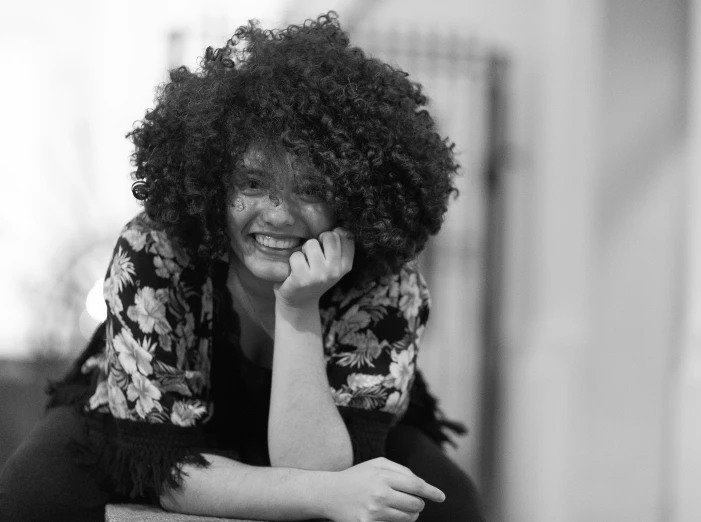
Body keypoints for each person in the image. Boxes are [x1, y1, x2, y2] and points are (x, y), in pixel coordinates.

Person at [0, 12, 485, 522]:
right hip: (154, 429)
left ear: (355, 200)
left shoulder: (386, 280)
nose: (277, 214)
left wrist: (298, 308)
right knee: (31, 492)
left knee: (451, 505)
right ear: (215, 184)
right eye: (252, 183)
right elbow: (160, 466)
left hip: (321, 431)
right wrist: (320, 494)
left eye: (312, 189)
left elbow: (332, 472)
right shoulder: (156, 250)